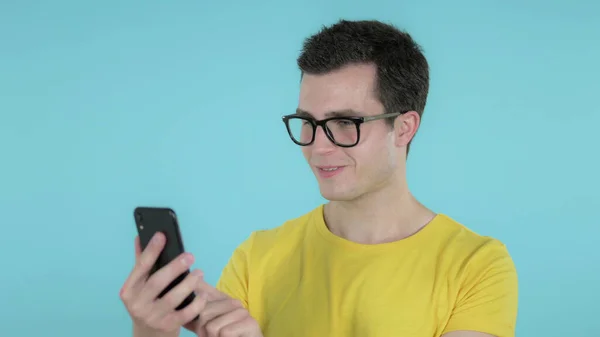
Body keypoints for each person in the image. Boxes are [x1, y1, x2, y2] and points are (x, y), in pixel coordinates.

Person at [120, 19, 519, 337]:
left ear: (404, 128)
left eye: (345, 123)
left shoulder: (477, 265)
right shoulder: (258, 258)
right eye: (308, 122)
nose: (318, 147)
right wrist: (152, 331)